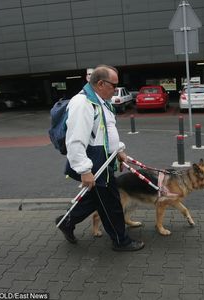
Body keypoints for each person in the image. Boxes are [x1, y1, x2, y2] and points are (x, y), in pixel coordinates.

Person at [56, 65, 144, 251]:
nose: (115, 89)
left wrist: (119, 150)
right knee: (111, 203)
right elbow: (75, 140)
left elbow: (107, 129)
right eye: (114, 85)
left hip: (105, 160)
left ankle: (66, 222)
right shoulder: (83, 103)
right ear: (101, 83)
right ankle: (121, 241)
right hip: (95, 163)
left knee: (97, 199)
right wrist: (84, 170)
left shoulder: (101, 101)